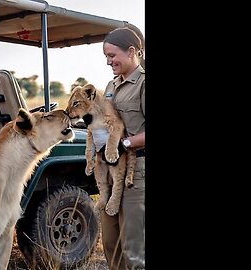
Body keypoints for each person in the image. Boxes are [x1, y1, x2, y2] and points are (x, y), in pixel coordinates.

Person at [101, 27, 146, 270]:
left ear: (131, 51)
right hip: (110, 172)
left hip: (136, 172)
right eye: (106, 57)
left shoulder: (142, 84)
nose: (109, 62)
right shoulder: (111, 84)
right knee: (110, 243)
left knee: (134, 247)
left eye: (112, 56)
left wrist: (124, 143)